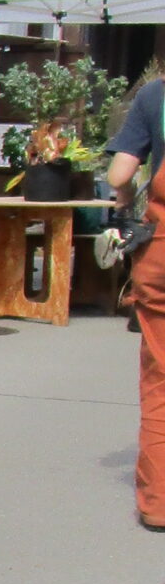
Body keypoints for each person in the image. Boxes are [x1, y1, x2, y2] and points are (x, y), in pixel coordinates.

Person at [107, 70, 165, 527]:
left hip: (163, 255)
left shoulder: (155, 94)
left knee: (161, 379)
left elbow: (120, 172)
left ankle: (159, 502)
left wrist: (125, 202)